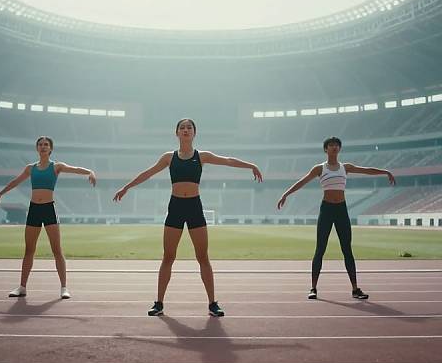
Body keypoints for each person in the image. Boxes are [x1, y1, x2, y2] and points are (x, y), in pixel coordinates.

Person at [113, 118, 263, 317]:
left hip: (194, 207)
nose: (185, 130)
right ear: (177, 133)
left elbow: (227, 160)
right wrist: (126, 187)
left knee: (203, 257)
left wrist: (250, 165)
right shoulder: (169, 157)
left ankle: (212, 303)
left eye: (189, 128)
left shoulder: (202, 156)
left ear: (194, 133)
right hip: (175, 207)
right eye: (182, 128)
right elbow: (147, 173)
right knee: (168, 256)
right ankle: (159, 303)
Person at [277, 136, 395, 300]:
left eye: (336, 145)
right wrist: (286, 194)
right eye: (331, 145)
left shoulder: (345, 167)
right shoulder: (319, 168)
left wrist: (385, 171)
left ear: (339, 149)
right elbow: (302, 182)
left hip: (341, 210)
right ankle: (313, 288)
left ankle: (355, 289)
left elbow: (366, 170)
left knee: (347, 250)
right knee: (320, 249)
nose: (334, 147)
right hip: (326, 210)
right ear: (326, 149)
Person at [0, 136, 96, 299]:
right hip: (34, 209)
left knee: (56, 250)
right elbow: (15, 182)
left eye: (46, 145)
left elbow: (74, 168)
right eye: (40, 144)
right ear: (37, 148)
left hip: (49, 209)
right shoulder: (30, 168)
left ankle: (64, 288)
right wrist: (0, 193)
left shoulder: (57, 166)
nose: (43, 147)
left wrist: (90, 172)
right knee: (29, 250)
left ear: (51, 149)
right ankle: (22, 287)